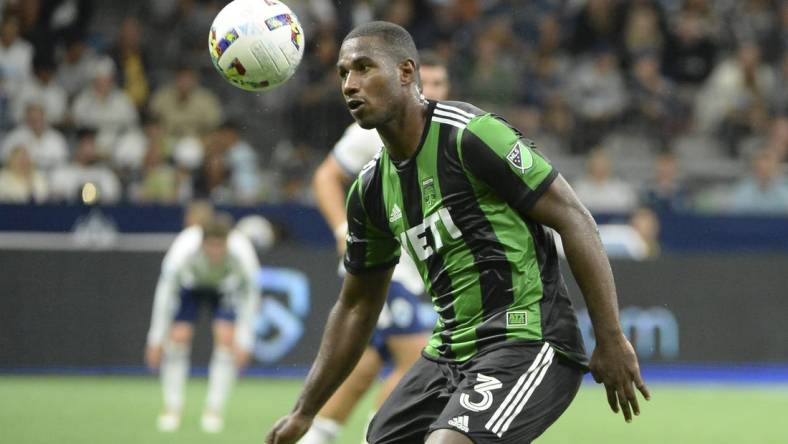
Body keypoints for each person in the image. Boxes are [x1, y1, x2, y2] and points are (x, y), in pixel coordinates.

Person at [267, 21, 649, 444]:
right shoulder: (370, 190)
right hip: (449, 351)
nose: (350, 85)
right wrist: (304, 411)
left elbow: (575, 218)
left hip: (528, 339)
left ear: (406, 73)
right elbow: (357, 304)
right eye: (343, 73)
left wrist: (611, 338)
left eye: (363, 68)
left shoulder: (470, 135)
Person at [301, 52, 450, 444]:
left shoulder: (446, 134)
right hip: (385, 269)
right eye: (426, 82)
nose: (431, 90)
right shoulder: (377, 127)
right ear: (407, 80)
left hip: (416, 272)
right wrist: (340, 229)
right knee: (417, 359)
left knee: (364, 369)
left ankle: (314, 437)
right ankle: (382, 437)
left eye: (439, 84)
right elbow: (326, 177)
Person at [145, 205, 260, 433]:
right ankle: (172, 408)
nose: (216, 252)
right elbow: (164, 295)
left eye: (221, 246)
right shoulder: (182, 250)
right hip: (190, 286)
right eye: (212, 246)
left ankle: (213, 410)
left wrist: (245, 340)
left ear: (228, 241)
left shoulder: (242, 253)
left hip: (225, 287)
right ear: (202, 242)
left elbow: (250, 296)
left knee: (226, 340)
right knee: (177, 339)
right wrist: (155, 339)